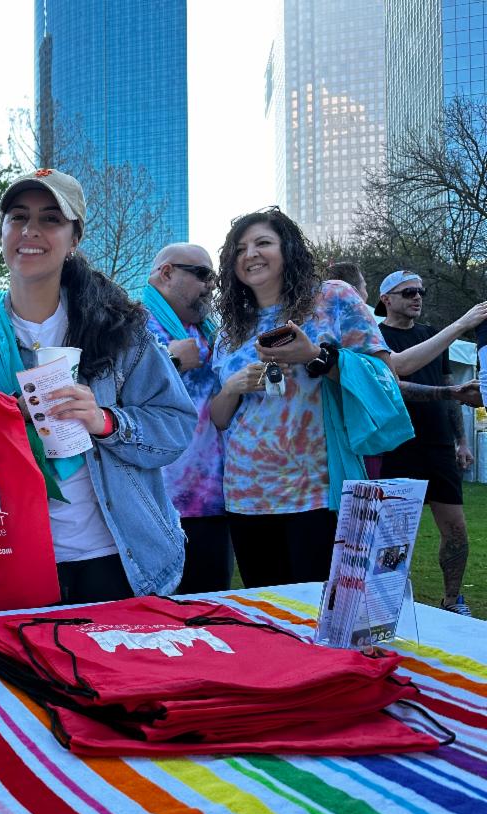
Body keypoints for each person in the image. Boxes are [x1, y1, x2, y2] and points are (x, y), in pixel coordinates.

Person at [0, 169, 195, 602]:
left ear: (74, 240)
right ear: (2, 231)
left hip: (116, 558)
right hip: (13, 559)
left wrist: (106, 422)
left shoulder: (121, 328)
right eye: (18, 216)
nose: (30, 230)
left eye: (51, 219)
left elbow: (177, 426)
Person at [210, 207, 391, 588]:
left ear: (288, 248)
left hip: (318, 491)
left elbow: (383, 376)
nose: (250, 254)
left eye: (263, 243)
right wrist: (232, 387)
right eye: (240, 249)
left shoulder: (332, 298)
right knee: (270, 609)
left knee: (323, 607)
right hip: (246, 491)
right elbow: (220, 418)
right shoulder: (230, 329)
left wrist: (314, 356)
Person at [375, 271, 487, 615]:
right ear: (386, 299)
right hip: (396, 445)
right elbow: (393, 387)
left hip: (438, 445)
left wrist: (462, 441)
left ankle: (453, 601)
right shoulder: (376, 339)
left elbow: (452, 393)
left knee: (456, 529)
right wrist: (450, 392)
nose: (417, 297)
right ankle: (391, 603)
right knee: (394, 533)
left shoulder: (432, 336)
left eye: (421, 291)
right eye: (408, 292)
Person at [141, 244, 233, 593]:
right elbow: (110, 394)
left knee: (213, 609)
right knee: (159, 613)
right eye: (203, 275)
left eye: (214, 278)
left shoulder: (209, 330)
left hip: (212, 500)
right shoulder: (128, 324)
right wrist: (171, 360)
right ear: (166, 273)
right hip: (155, 503)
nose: (211, 285)